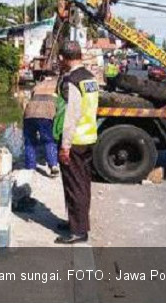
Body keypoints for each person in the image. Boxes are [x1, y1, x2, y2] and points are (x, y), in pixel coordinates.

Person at [53, 41, 99, 244]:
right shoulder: (90, 78)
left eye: (59, 58)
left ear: (63, 58)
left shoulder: (71, 80)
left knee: (74, 186)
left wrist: (65, 146)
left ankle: (79, 231)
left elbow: (71, 115)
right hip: (89, 136)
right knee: (82, 184)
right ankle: (76, 222)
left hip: (75, 140)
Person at [23, 76, 59, 177]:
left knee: (29, 141)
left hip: (29, 113)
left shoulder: (38, 85)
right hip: (47, 114)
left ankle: (30, 167)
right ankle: (53, 165)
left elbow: (30, 97)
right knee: (48, 140)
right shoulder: (57, 85)